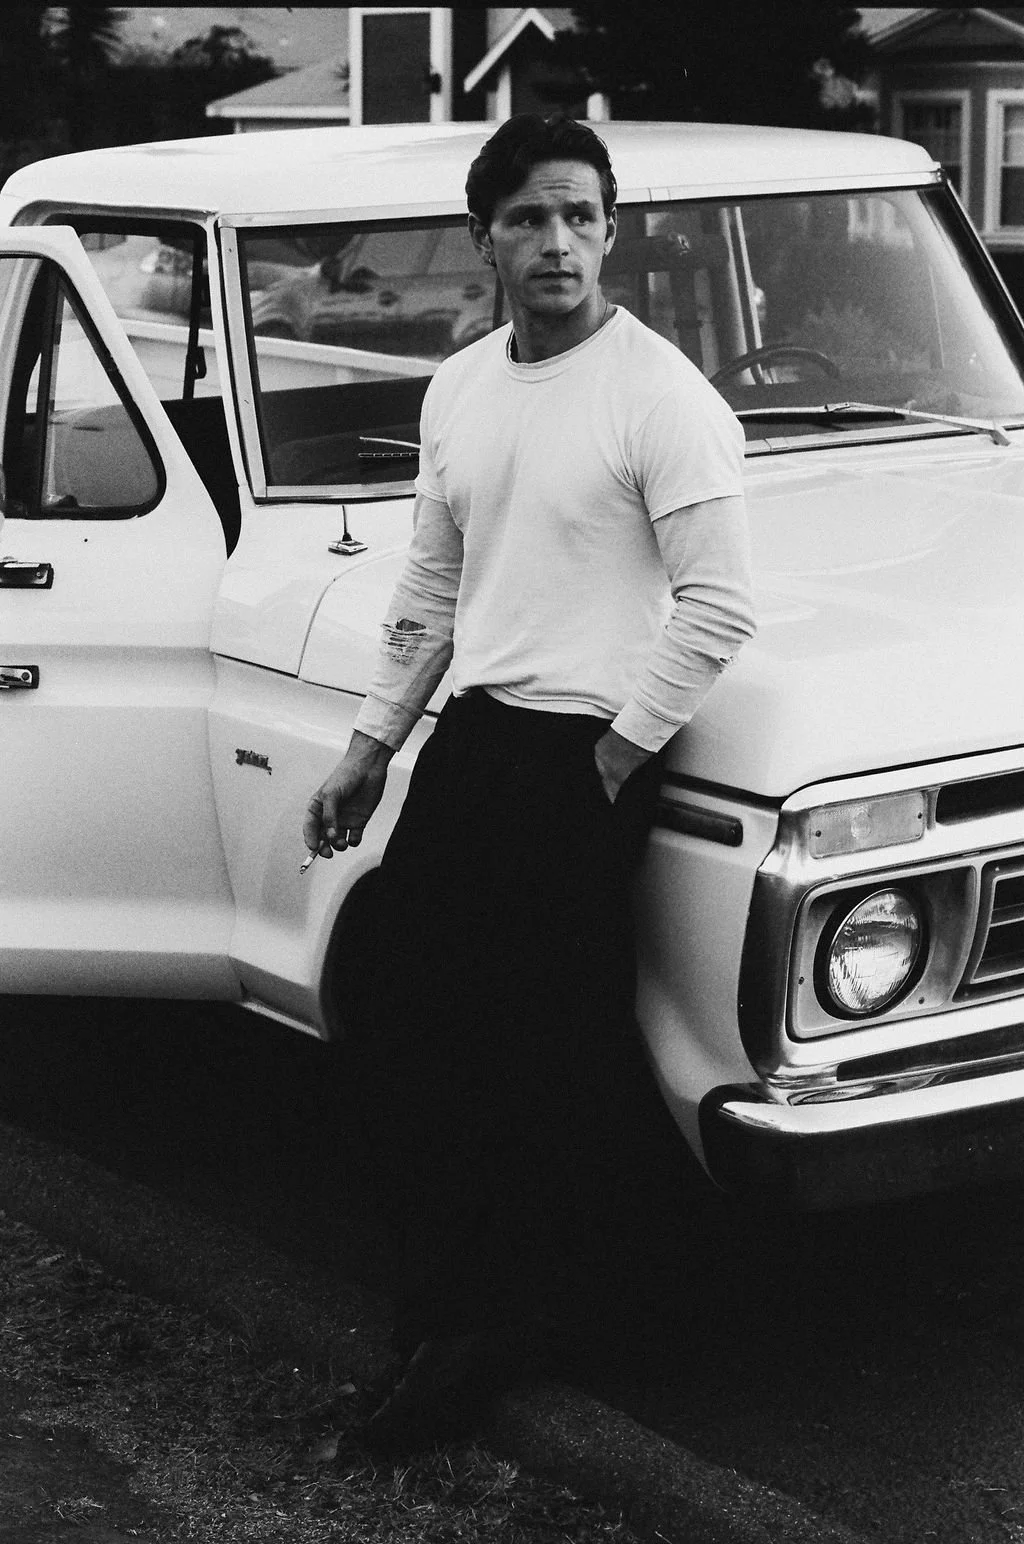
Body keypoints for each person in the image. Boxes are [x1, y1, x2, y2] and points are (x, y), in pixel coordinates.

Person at [303, 113, 756, 1446]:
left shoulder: (659, 395)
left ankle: (529, 1326)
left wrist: (614, 756)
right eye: (525, 219)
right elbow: (433, 592)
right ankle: (446, 1306)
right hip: (478, 737)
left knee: (545, 1052)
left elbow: (720, 606)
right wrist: (371, 748)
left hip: (589, 751)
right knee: (399, 1008)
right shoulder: (463, 389)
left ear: (609, 231)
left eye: (577, 216)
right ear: (484, 239)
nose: (554, 242)